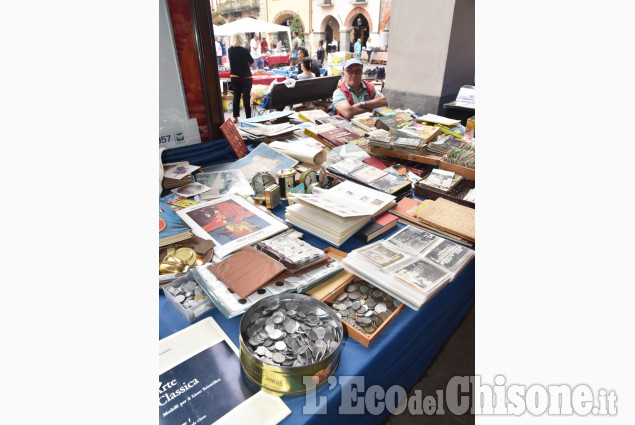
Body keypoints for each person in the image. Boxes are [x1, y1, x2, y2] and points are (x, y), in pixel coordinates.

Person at [228, 31, 255, 122]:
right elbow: (252, 63)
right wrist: (246, 63)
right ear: (241, 39)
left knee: (236, 96)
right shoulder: (244, 50)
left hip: (234, 76)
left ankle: (235, 117)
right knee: (246, 97)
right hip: (245, 76)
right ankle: (248, 117)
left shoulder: (230, 50)